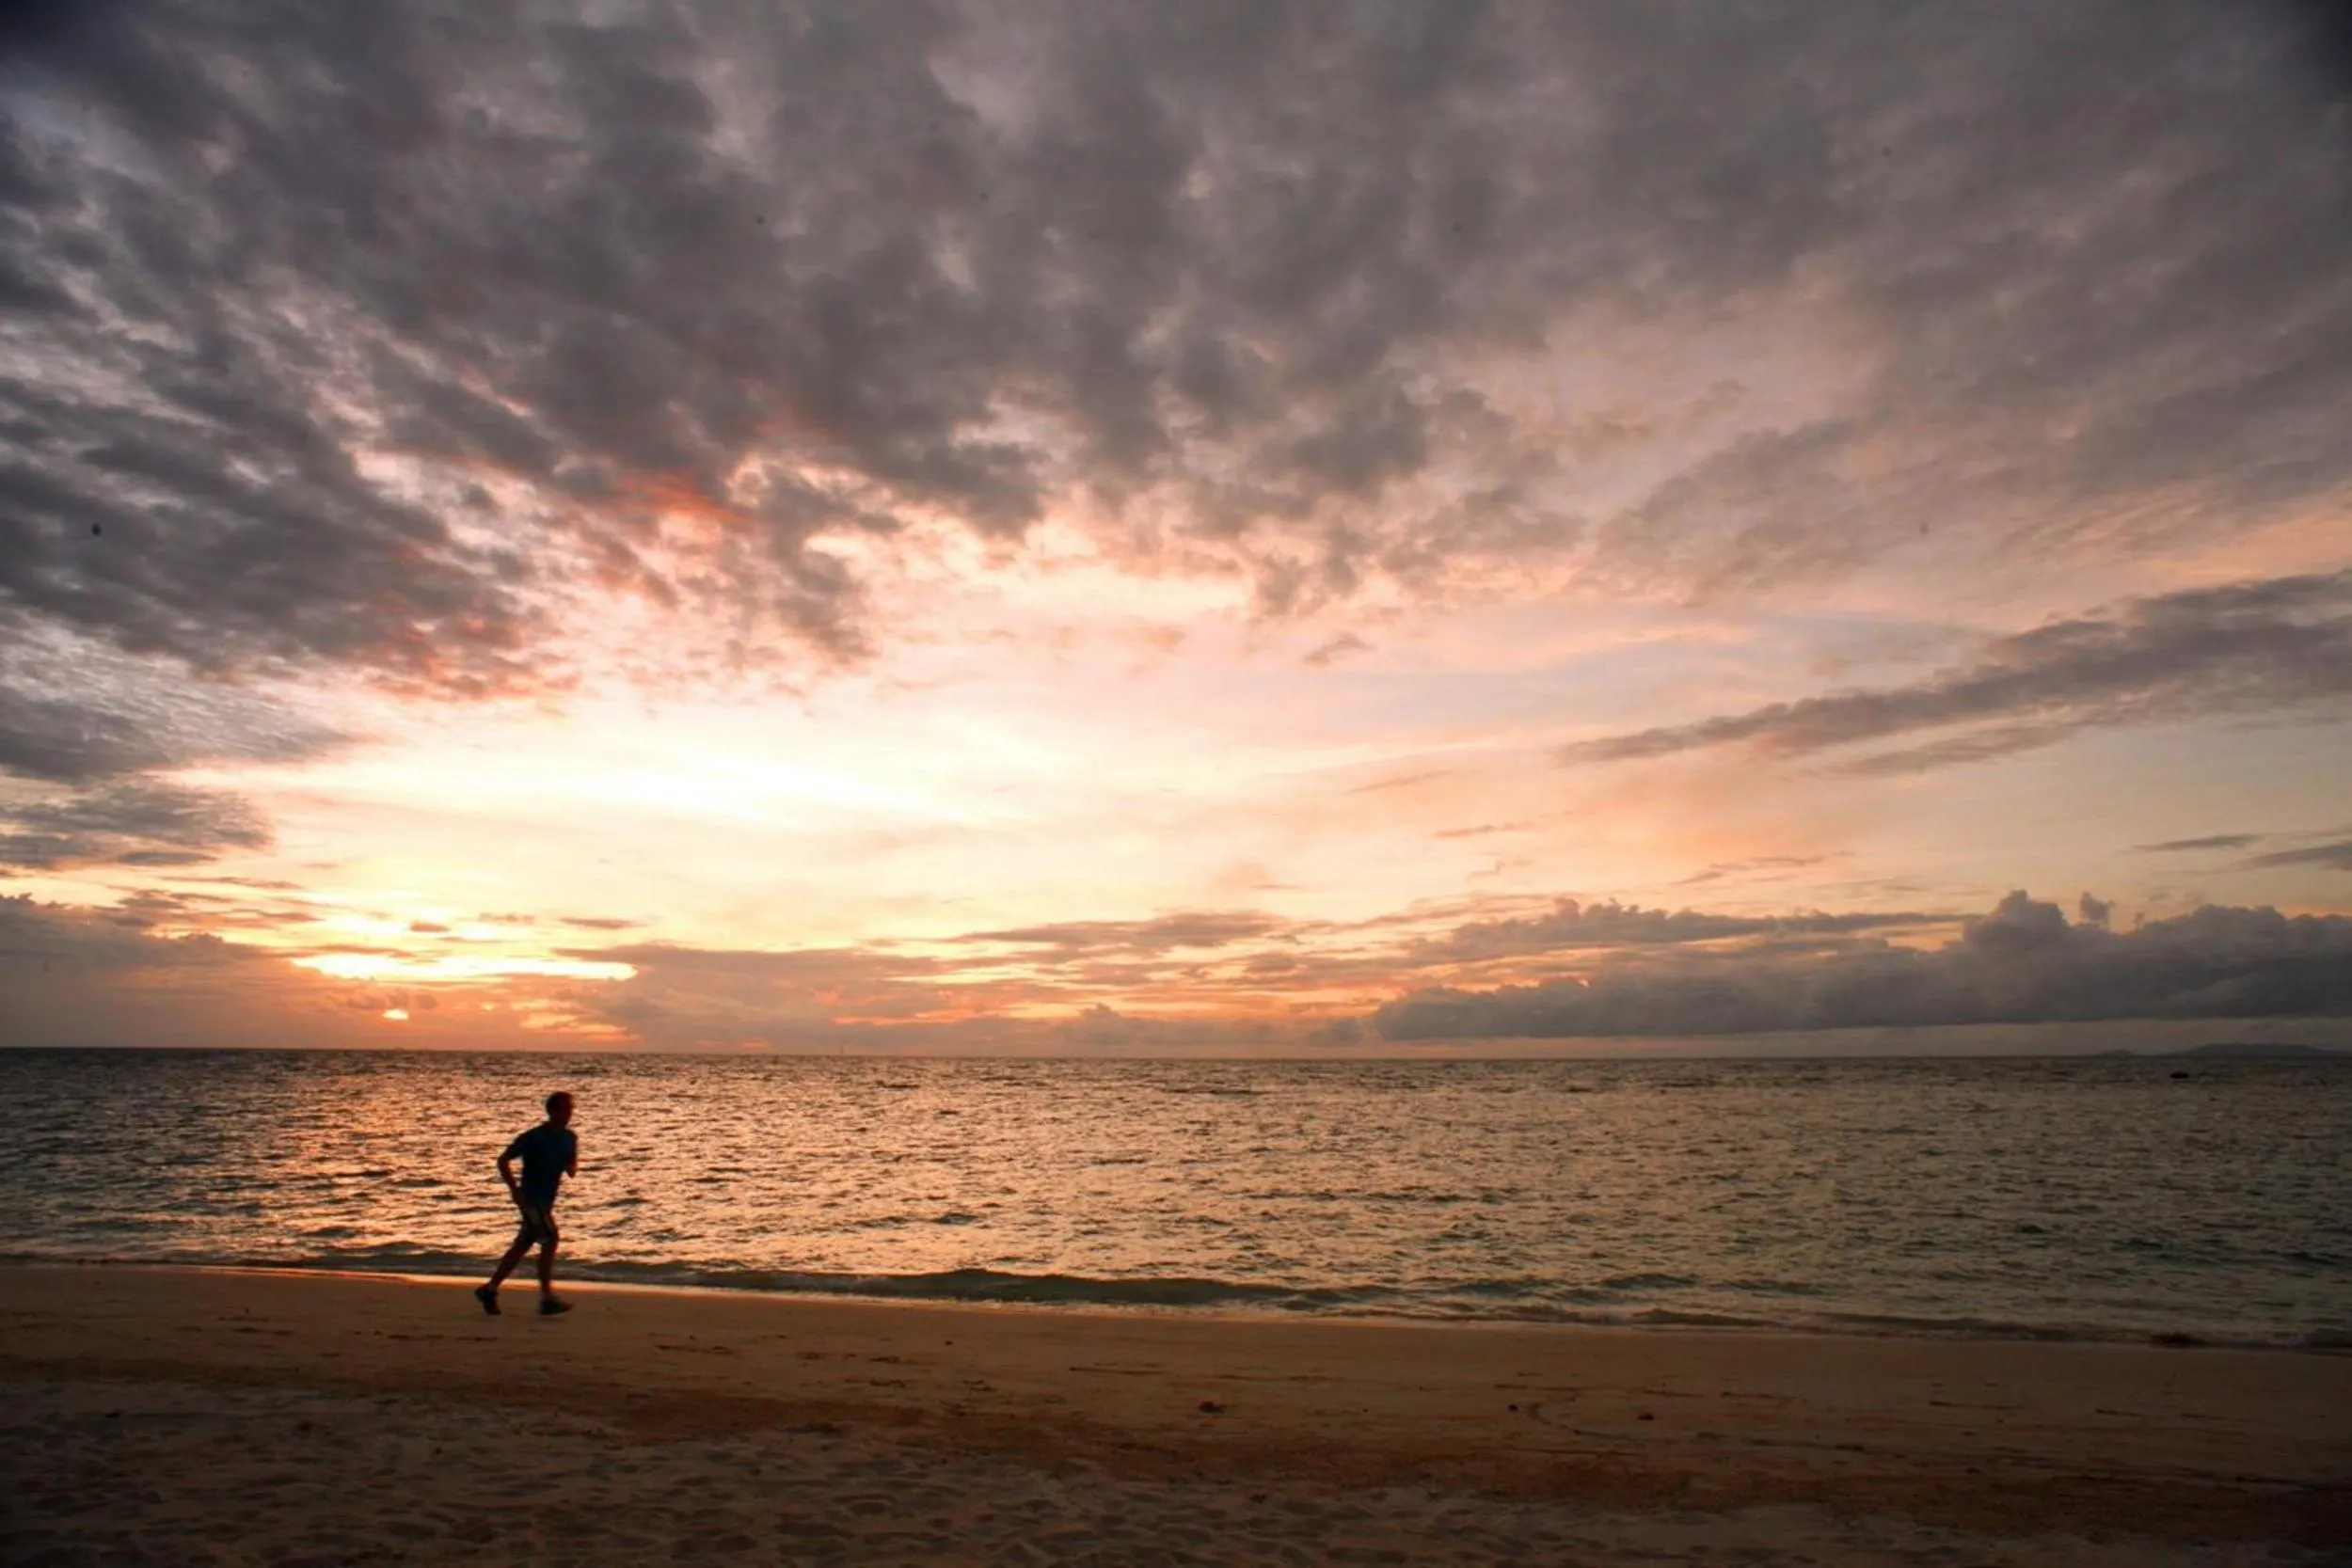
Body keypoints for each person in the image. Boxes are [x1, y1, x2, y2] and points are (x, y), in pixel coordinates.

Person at [475, 1091, 579, 1317]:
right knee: (550, 1239)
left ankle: (490, 1289)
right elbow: (503, 1160)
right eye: (565, 1109)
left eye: (571, 1109)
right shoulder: (534, 1137)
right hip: (531, 1199)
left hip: (547, 1200)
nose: (569, 1114)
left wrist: (570, 1166)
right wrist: (515, 1191)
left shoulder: (569, 1137)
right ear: (552, 1111)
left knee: (524, 1244)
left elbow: (571, 1163)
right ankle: (546, 1297)